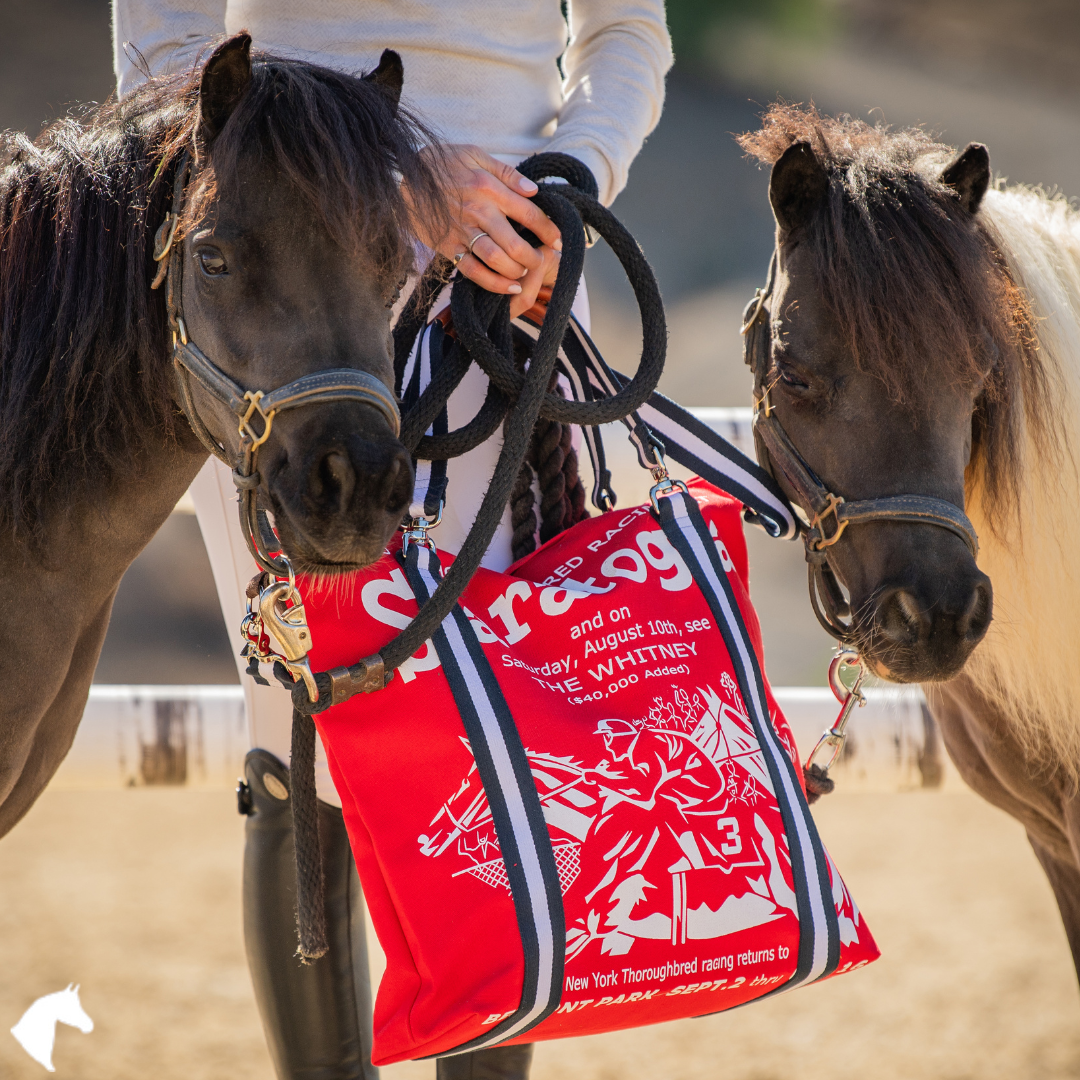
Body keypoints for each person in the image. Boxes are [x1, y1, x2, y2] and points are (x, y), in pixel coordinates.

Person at [111, 4, 672, 1078]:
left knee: (505, 738)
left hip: (521, 269)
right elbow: (164, 40)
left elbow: (625, 34)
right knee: (299, 739)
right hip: (288, 273)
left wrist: (571, 177)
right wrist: (386, 171)